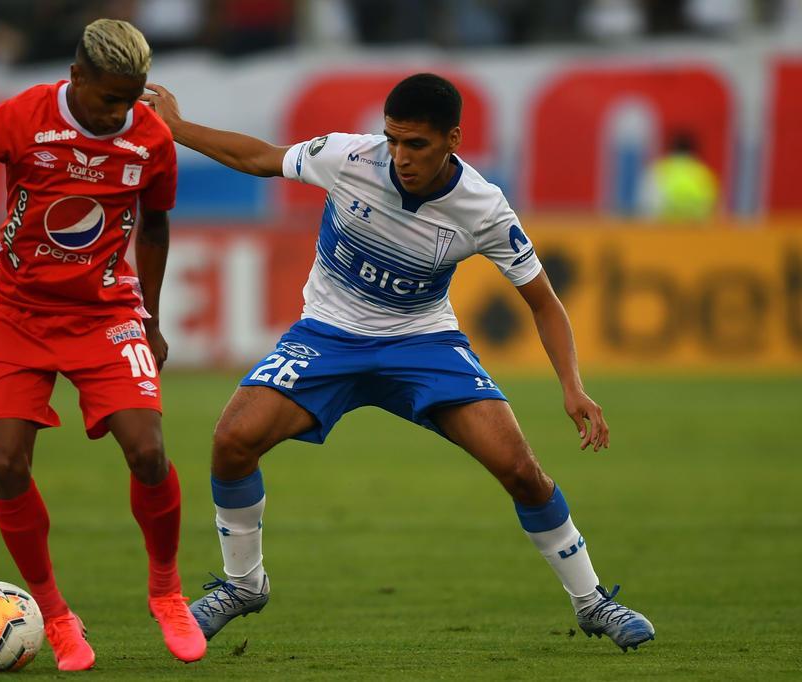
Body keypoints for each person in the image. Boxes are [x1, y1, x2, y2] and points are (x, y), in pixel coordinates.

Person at [141, 73, 656, 652]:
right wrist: (179, 129)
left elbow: (543, 300)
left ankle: (592, 603)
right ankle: (243, 585)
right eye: (393, 139)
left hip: (421, 343)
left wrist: (573, 386)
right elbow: (262, 157)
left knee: (520, 470)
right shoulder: (346, 156)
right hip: (328, 335)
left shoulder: (483, 208)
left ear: (452, 140)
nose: (401, 157)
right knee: (232, 440)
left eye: (418, 145)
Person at [0, 19, 206, 670]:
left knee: (149, 449)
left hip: (106, 311)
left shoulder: (151, 139)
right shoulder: (23, 117)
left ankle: (167, 591)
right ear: (76, 77)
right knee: (7, 463)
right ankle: (57, 615)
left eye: (131, 99)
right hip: (19, 311)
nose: (119, 112)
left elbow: (154, 228)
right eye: (108, 99)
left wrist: (149, 319)